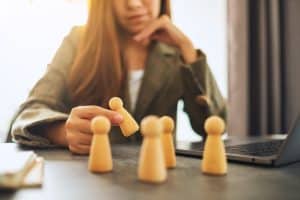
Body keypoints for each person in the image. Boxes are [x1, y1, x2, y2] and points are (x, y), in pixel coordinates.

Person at [9, 0, 226, 154]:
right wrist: (61, 131)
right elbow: (29, 113)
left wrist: (188, 51)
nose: (132, 3)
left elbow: (215, 124)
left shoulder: (177, 54)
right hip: (90, 181)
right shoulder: (78, 41)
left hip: (159, 181)